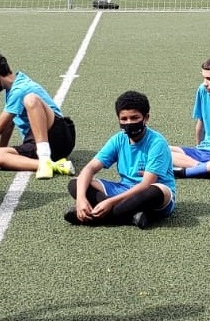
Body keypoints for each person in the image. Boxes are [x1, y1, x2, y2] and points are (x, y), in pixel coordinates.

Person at [66, 90, 175, 229]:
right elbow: (90, 168)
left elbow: (146, 184)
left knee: (156, 191)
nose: (129, 123)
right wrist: (80, 199)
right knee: (76, 183)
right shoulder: (118, 139)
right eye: (124, 119)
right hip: (123, 189)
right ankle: (131, 216)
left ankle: (97, 217)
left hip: (149, 193)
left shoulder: (157, 143)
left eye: (135, 118)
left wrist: (110, 202)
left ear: (146, 118)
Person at [0, 50, 75, 179]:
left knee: (31, 99)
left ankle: (44, 156)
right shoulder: (16, 83)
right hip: (43, 144)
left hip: (59, 135)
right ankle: (53, 165)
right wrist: (1, 147)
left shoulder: (20, 89)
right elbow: (8, 124)